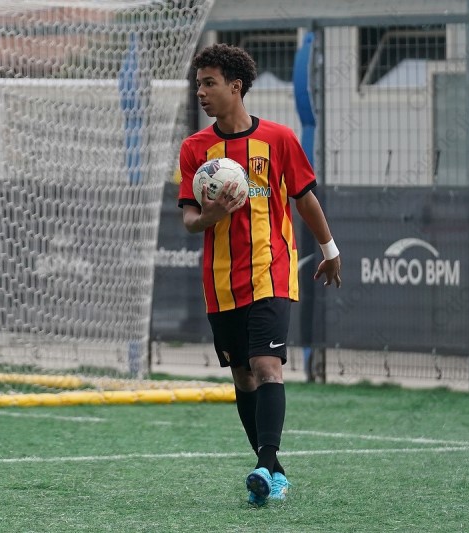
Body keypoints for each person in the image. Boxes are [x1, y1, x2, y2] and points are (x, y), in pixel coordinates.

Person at [177, 43, 342, 507]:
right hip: (220, 281)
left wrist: (330, 249)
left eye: (209, 83)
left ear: (236, 86)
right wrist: (211, 215)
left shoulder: (279, 139)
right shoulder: (194, 149)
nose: (201, 92)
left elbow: (305, 199)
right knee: (244, 377)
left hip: (271, 271)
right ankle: (273, 472)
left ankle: (265, 464)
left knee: (267, 367)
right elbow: (189, 221)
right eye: (198, 84)